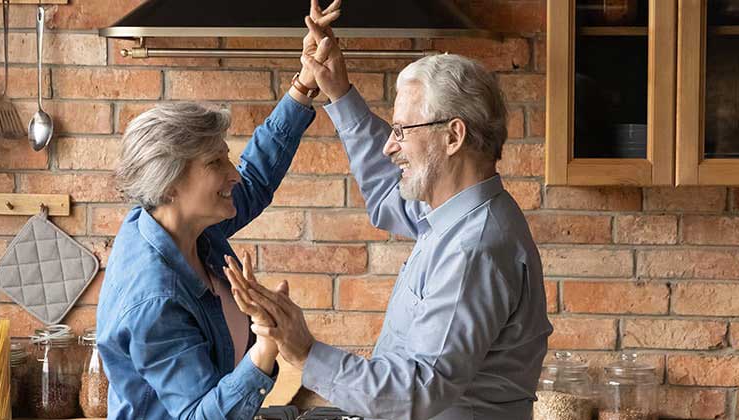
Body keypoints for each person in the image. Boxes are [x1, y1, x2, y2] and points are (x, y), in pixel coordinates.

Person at [225, 13, 553, 420]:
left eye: (401, 131)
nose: (389, 147)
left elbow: (418, 388)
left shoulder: (473, 249)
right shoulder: (453, 216)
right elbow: (387, 192)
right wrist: (338, 92)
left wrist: (306, 352)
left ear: (453, 136)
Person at [92, 2, 343, 419]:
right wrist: (266, 344)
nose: (234, 174)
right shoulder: (154, 299)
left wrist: (303, 84)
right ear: (169, 184)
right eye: (215, 164)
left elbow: (255, 177)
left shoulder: (183, 227)